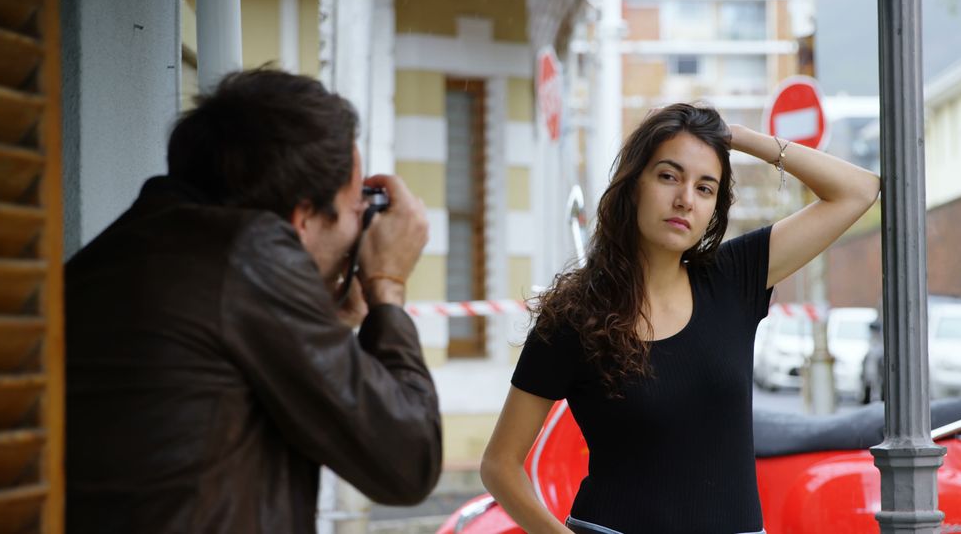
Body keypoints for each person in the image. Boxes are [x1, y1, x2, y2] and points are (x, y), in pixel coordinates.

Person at [64, 69, 442, 533]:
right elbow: (408, 460)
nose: (358, 230)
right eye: (352, 210)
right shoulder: (250, 250)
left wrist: (320, 313)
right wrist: (387, 286)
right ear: (302, 217)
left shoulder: (122, 251)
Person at [480, 103, 880, 534]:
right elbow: (500, 465)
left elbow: (857, 190)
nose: (685, 199)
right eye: (669, 176)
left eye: (705, 188)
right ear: (634, 184)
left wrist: (741, 138)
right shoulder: (574, 315)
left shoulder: (734, 277)